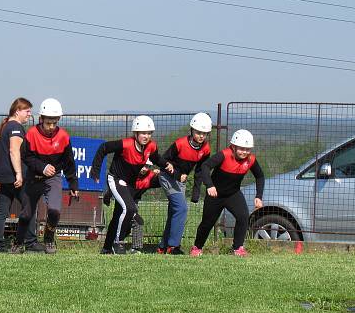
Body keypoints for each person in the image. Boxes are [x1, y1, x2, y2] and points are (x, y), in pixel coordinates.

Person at [91, 115, 174, 255]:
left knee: (118, 215)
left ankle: (106, 248)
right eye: (143, 133)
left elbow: (155, 158)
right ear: (135, 133)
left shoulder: (151, 146)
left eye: (149, 133)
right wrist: (95, 170)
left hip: (129, 183)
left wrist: (166, 165)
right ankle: (118, 243)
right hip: (116, 179)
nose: (146, 136)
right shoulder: (126, 144)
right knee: (129, 208)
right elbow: (103, 148)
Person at [20, 98, 79, 254]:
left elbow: (69, 162)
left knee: (54, 210)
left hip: (53, 179)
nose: (51, 127)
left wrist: (73, 184)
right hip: (33, 178)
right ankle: (18, 243)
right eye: (48, 123)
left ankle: (48, 239)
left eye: (54, 123)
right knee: (26, 215)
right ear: (41, 119)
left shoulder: (64, 137)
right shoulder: (31, 134)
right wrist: (42, 167)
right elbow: (25, 156)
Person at [193, 129, 264, 257]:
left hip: (233, 194)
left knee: (243, 217)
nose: (245, 152)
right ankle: (197, 247)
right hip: (215, 195)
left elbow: (260, 176)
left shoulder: (251, 160)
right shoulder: (224, 155)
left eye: (248, 149)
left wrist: (258, 196)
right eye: (242, 149)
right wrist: (209, 185)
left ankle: (237, 248)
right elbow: (205, 166)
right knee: (207, 223)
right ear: (234, 146)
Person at [157, 112, 213, 255]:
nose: (201, 136)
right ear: (192, 130)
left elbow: (200, 170)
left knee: (174, 212)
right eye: (198, 132)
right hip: (167, 177)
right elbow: (162, 162)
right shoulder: (180, 144)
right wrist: (176, 174)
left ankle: (162, 247)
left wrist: (195, 193)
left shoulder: (205, 149)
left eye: (204, 133)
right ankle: (173, 246)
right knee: (181, 209)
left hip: (180, 180)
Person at [0, 97, 32, 254]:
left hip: (3, 176)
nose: (29, 114)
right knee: (29, 207)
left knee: (1, 211)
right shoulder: (15, 126)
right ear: (17, 111)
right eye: (27, 111)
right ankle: (30, 242)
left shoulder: (4, 126)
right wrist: (19, 174)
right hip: (14, 176)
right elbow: (14, 151)